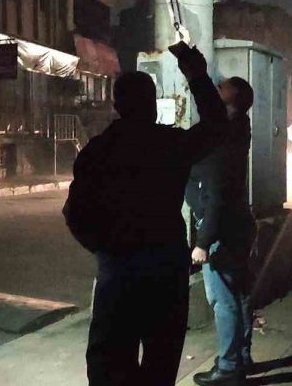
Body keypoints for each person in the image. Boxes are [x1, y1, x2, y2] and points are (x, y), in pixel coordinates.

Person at [64, 46, 229, 386]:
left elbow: (75, 214)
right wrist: (196, 76)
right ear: (152, 105)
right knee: (160, 365)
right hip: (165, 271)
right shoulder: (170, 144)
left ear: (117, 106)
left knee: (110, 367)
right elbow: (217, 127)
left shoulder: (98, 151)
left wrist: (106, 249)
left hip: (118, 272)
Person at [185, 77, 256, 385]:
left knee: (222, 299)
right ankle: (241, 357)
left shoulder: (221, 141)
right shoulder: (238, 130)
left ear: (231, 101)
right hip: (238, 224)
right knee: (240, 294)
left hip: (220, 230)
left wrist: (203, 242)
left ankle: (228, 367)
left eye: (221, 88)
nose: (216, 89)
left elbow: (216, 196)